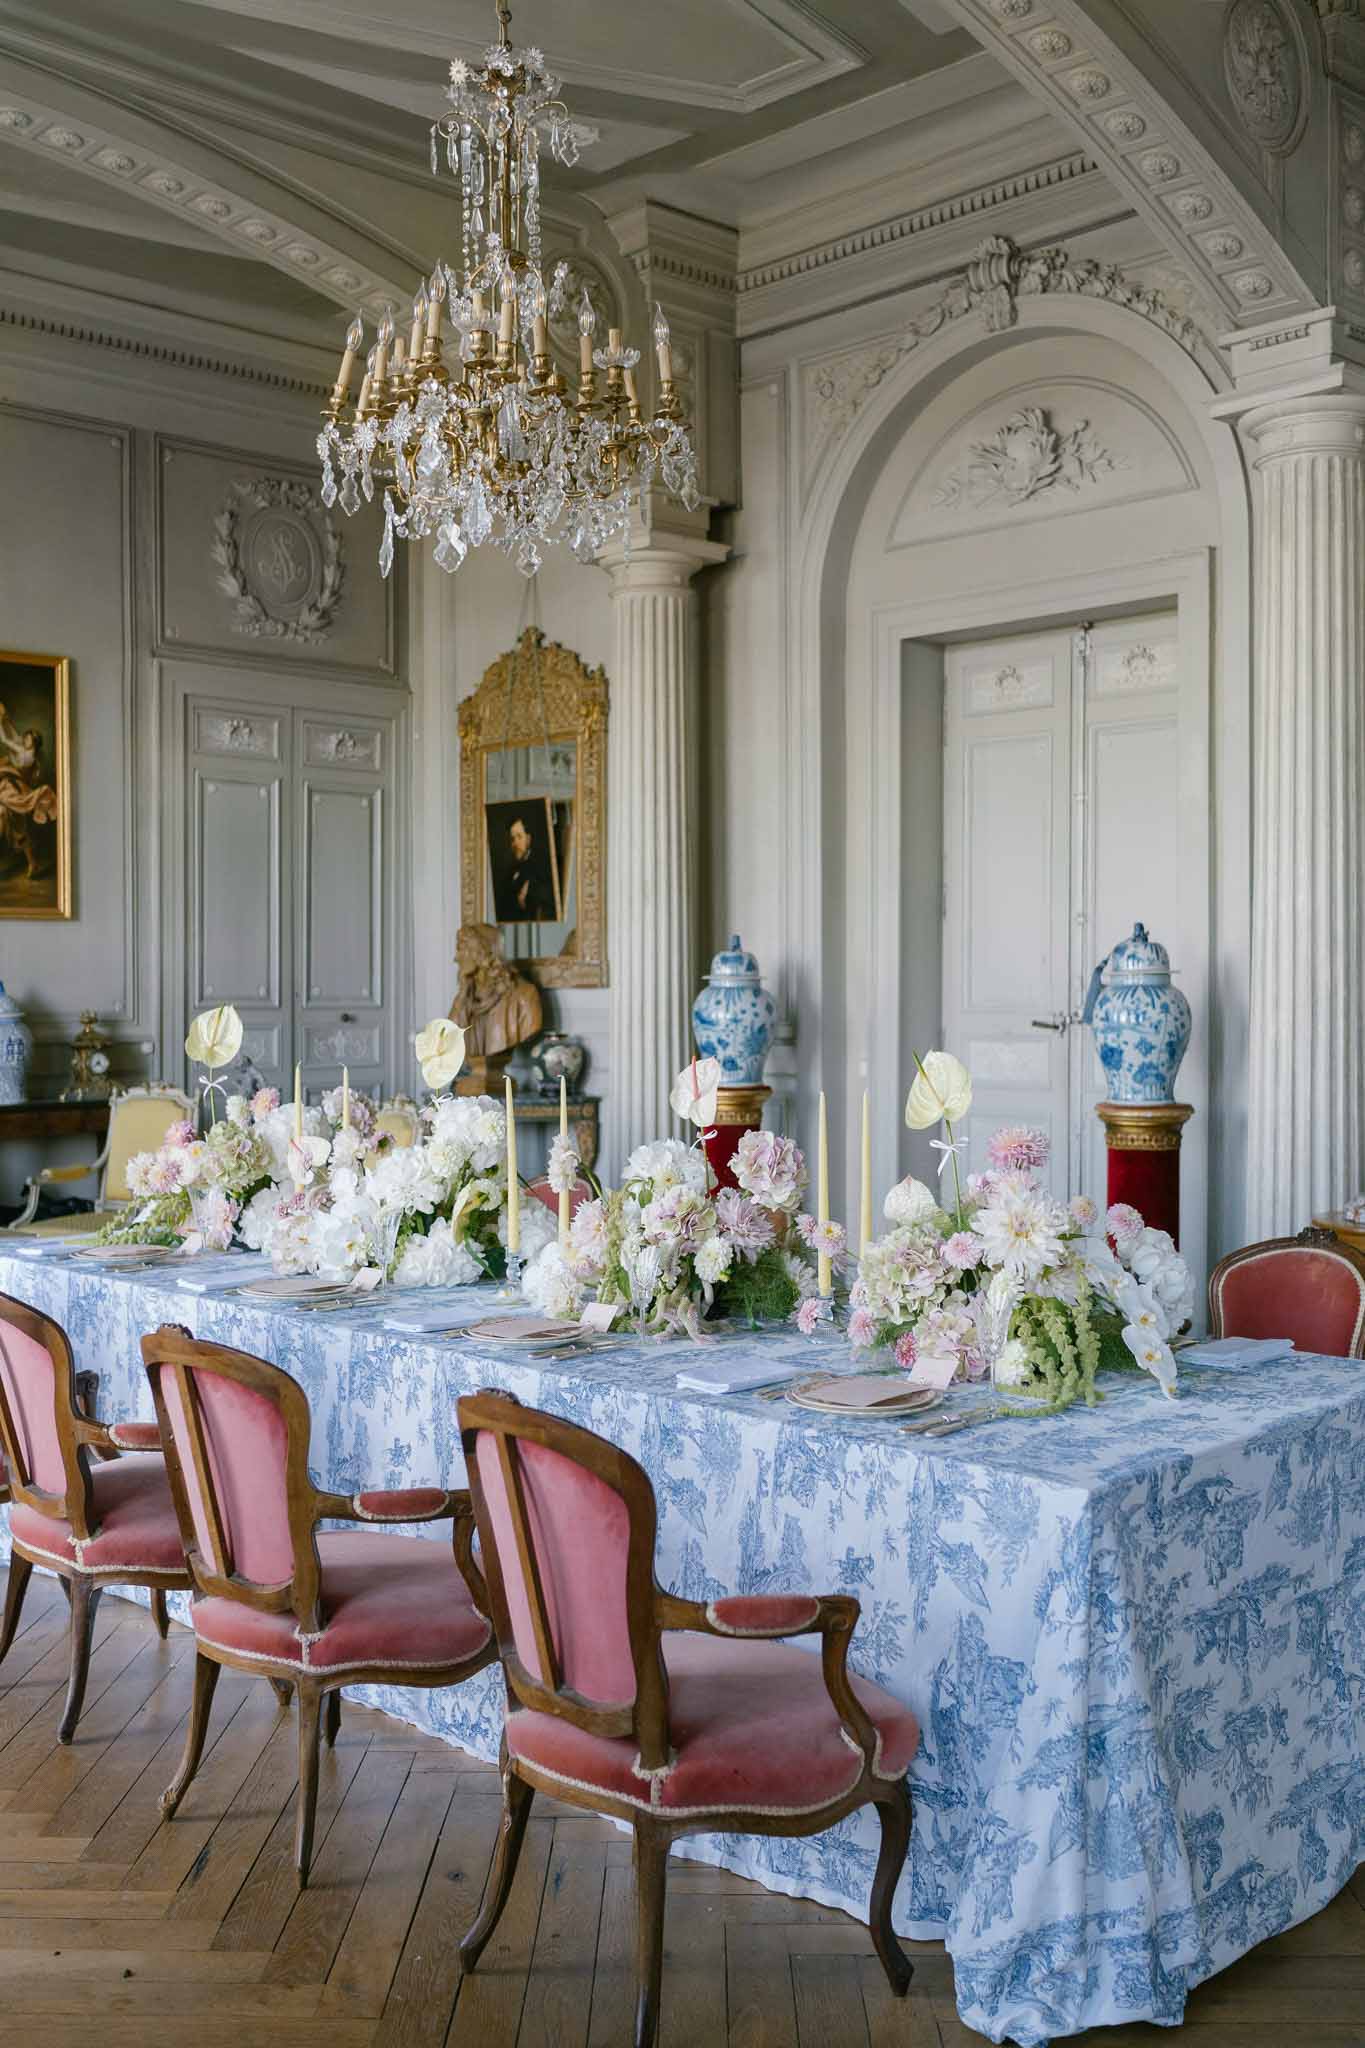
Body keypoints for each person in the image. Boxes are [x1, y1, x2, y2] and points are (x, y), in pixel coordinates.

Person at [449, 922, 543, 1064]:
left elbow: (531, 1027)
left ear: (480, 953)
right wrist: (463, 991)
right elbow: (451, 1038)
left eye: (461, 949)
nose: (456, 958)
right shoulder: (466, 996)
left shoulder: (524, 996)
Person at [0, 702, 57, 881]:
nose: (24, 739)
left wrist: (1, 719)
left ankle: (32, 862)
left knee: (7, 820)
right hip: (11, 790)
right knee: (17, 827)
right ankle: (33, 862)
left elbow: (7, 740)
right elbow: (11, 734)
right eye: (25, 738)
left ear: (34, 743)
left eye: (28, 739)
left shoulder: (27, 756)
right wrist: (4, 718)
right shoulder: (24, 752)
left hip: (13, 791)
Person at [497, 810, 558, 922]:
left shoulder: (542, 865)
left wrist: (528, 891)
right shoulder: (510, 870)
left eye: (519, 837)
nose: (515, 843)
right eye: (512, 839)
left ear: (528, 839)